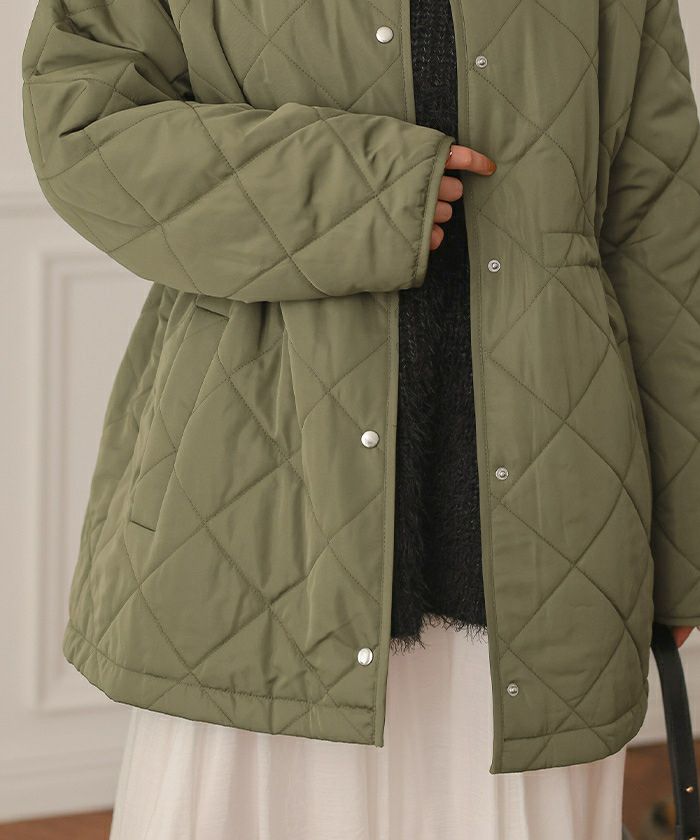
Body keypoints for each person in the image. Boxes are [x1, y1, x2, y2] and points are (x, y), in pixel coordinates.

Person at [20, 0, 700, 836]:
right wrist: (358, 191)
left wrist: (682, 548)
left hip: (553, 516)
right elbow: (81, 122)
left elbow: (660, 227)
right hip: (259, 514)